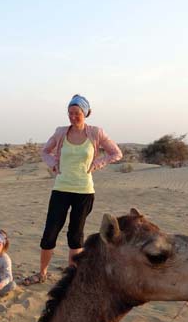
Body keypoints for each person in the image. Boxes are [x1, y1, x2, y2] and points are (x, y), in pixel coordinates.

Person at [23, 94, 122, 285]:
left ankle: (71, 277)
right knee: (50, 232)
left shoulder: (96, 132)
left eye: (76, 113)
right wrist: (53, 165)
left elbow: (116, 153)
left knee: (75, 234)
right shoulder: (61, 132)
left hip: (84, 191)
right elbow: (45, 151)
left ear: (85, 113)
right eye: (70, 113)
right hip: (61, 189)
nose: (73, 116)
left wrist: (97, 164)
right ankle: (42, 273)